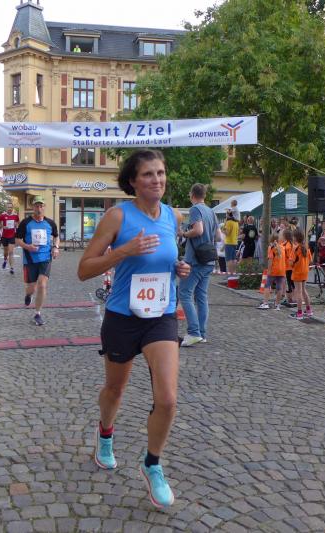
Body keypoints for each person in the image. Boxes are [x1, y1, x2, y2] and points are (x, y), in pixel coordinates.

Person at [77, 149, 190, 509]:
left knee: (168, 399)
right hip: (123, 317)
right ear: (133, 181)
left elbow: (166, 259)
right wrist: (122, 251)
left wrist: (178, 269)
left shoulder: (172, 216)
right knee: (115, 389)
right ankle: (105, 434)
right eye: (148, 174)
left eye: (161, 173)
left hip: (161, 316)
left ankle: (152, 464)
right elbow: (84, 269)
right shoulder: (117, 216)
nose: (157, 180)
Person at [179, 183, 219, 347]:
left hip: (196, 260)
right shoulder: (211, 211)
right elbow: (219, 236)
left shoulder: (195, 209)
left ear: (192, 195)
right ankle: (202, 333)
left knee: (184, 293)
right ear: (204, 195)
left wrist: (184, 233)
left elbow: (199, 230)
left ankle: (194, 332)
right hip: (209, 259)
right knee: (201, 296)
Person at [15, 196, 59, 326]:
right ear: (33, 207)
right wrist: (28, 246)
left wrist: (56, 247)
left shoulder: (50, 223)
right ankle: (28, 295)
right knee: (31, 288)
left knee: (42, 284)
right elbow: (17, 240)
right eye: (36, 206)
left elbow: (56, 237)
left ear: (44, 207)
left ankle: (37, 314)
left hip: (45, 258)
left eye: (41, 206)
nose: (39, 209)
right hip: (30, 259)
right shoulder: (25, 223)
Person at [258, 231, 288, 310]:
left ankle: (265, 303)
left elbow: (270, 260)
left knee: (267, 285)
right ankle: (277, 305)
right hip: (282, 270)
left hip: (273, 270)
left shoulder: (271, 248)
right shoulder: (283, 247)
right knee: (279, 287)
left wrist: (269, 270)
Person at [290, 228, 312, 320]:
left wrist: (291, 263)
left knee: (298, 292)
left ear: (295, 238)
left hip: (297, 272)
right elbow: (310, 260)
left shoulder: (295, 249)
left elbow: (291, 262)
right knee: (304, 290)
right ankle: (309, 310)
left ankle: (299, 313)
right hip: (305, 272)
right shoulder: (306, 248)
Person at [0, 204, 20, 275]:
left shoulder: (15, 216)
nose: (9, 208)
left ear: (12, 208)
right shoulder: (2, 215)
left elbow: (18, 224)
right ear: (6, 208)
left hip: (12, 236)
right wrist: (3, 226)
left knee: (11, 252)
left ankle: (12, 268)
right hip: (4, 236)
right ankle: (5, 260)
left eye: (11, 207)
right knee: (6, 252)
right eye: (8, 207)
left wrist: (16, 225)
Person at [222, 209, 239, 275]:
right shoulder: (236, 223)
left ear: (228, 214)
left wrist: (222, 229)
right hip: (235, 242)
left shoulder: (228, 222)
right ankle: (233, 274)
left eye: (226, 214)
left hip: (229, 242)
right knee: (233, 259)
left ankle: (230, 275)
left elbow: (227, 233)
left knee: (229, 260)